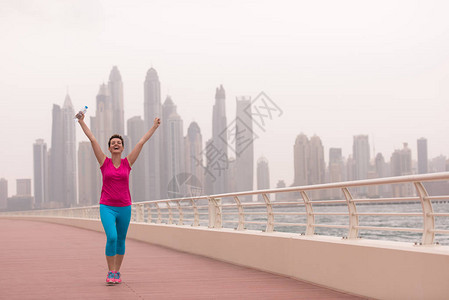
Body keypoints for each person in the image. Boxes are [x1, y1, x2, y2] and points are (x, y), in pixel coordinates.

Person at [76, 110, 160, 284]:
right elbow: (92, 139)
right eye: (113, 143)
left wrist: (154, 126)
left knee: (121, 240)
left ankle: (116, 272)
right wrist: (82, 122)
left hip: (124, 207)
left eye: (119, 143)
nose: (116, 144)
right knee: (112, 237)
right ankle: (109, 271)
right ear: (109, 148)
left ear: (122, 148)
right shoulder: (103, 162)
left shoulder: (127, 163)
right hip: (107, 206)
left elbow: (141, 142)